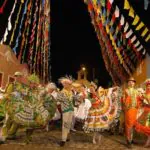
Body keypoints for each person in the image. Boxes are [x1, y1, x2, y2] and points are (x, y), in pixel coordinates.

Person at [122, 77, 141, 148]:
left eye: (132, 82)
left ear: (134, 83)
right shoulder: (125, 91)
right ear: (128, 83)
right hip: (129, 110)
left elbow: (138, 100)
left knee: (133, 125)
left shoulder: (136, 91)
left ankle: (131, 138)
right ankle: (128, 140)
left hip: (135, 110)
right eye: (130, 82)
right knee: (128, 125)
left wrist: (140, 100)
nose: (131, 83)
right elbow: (123, 100)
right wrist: (127, 100)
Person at [57, 76, 74, 147]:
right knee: (65, 124)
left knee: (69, 124)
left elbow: (73, 99)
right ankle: (63, 139)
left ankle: (67, 136)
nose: (67, 85)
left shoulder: (70, 92)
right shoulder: (62, 92)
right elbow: (58, 99)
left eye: (68, 84)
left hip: (71, 109)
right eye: (65, 84)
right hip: (66, 110)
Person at [135, 79, 150, 147]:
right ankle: (148, 142)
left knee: (148, 126)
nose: (148, 87)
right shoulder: (144, 94)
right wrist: (142, 100)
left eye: (149, 86)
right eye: (147, 86)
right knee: (140, 123)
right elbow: (141, 103)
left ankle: (148, 142)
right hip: (146, 111)